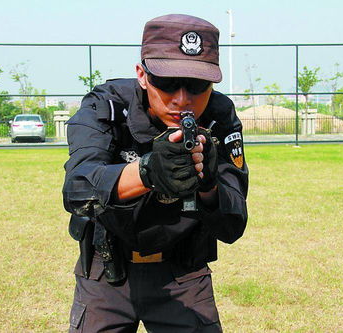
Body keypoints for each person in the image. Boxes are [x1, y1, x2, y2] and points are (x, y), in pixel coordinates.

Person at [62, 14, 248, 333]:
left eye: (197, 85)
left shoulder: (219, 117)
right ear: (142, 75)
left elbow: (233, 224)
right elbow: (78, 190)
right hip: (107, 269)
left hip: (183, 272)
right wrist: (147, 172)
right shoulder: (107, 106)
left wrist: (206, 185)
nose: (181, 99)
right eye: (166, 81)